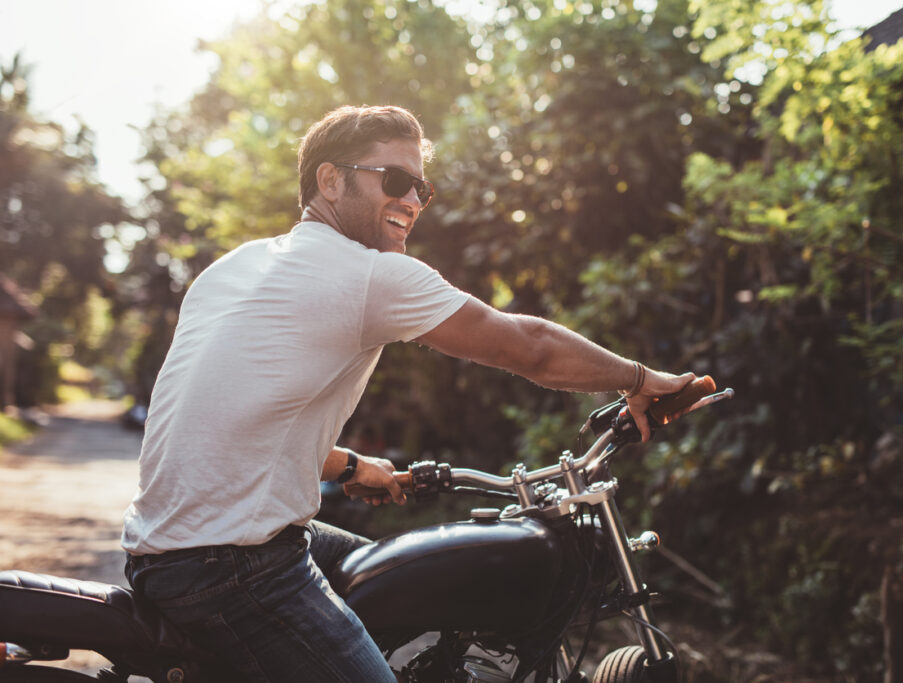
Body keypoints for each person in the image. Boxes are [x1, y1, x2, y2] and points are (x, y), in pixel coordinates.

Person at [121, 104, 696, 682]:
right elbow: (530, 347)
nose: (413, 201)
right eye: (395, 181)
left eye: (422, 188)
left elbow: (227, 420)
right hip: (233, 564)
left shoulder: (235, 267)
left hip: (172, 549)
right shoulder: (369, 274)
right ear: (329, 180)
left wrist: (346, 466)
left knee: (404, 581)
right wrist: (643, 381)